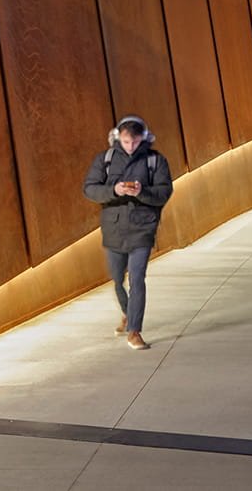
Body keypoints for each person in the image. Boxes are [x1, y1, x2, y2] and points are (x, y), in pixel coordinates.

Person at [84, 115, 174, 349]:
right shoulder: (105, 159)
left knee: (137, 278)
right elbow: (90, 189)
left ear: (143, 138)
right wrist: (114, 190)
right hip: (113, 228)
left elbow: (164, 192)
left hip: (142, 228)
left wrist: (141, 192)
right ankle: (127, 312)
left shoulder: (155, 161)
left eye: (134, 142)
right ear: (118, 138)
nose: (131, 146)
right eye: (126, 142)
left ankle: (134, 331)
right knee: (117, 279)